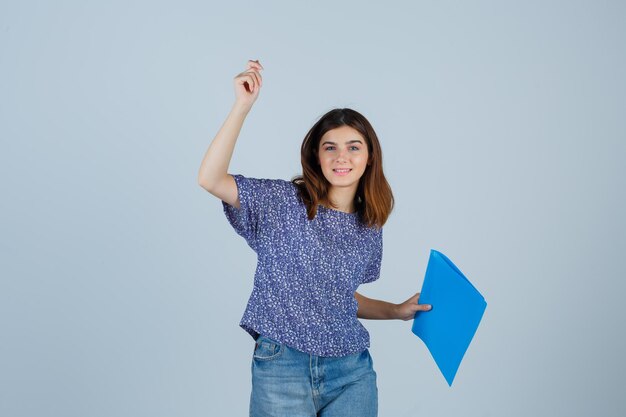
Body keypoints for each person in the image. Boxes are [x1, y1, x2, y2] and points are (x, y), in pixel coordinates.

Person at [198, 59, 432, 417]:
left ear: (369, 158)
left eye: (354, 147)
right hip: (282, 367)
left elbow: (340, 296)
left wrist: (396, 311)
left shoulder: (369, 224)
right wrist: (242, 106)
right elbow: (210, 178)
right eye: (330, 147)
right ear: (316, 156)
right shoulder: (280, 202)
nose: (342, 157)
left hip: (351, 372)